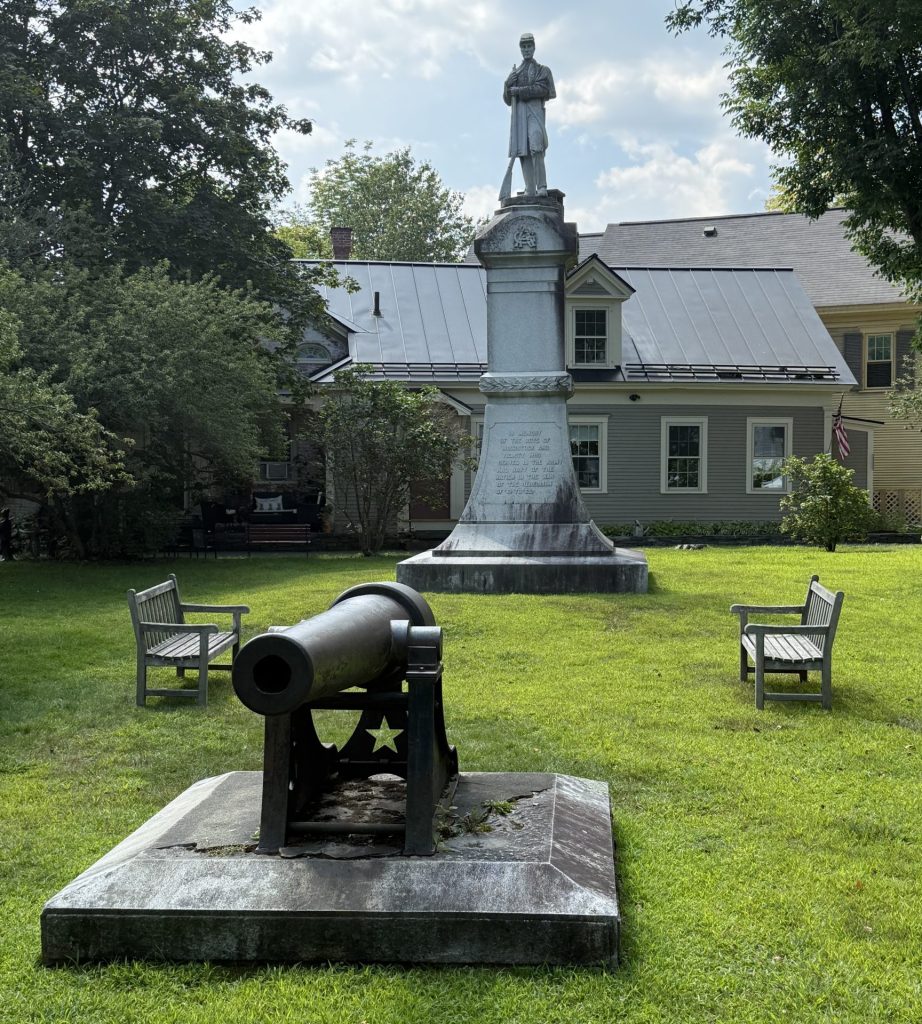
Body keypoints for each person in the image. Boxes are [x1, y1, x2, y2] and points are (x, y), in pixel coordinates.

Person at [504, 33, 556, 197]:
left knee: (536, 146)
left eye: (529, 46)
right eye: (523, 47)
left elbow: (544, 90)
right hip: (519, 115)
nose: (526, 50)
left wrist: (517, 90)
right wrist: (507, 84)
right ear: (521, 49)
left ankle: (541, 186)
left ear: (534, 47)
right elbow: (507, 99)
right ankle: (530, 189)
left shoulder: (542, 70)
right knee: (522, 151)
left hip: (535, 112)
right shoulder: (515, 73)